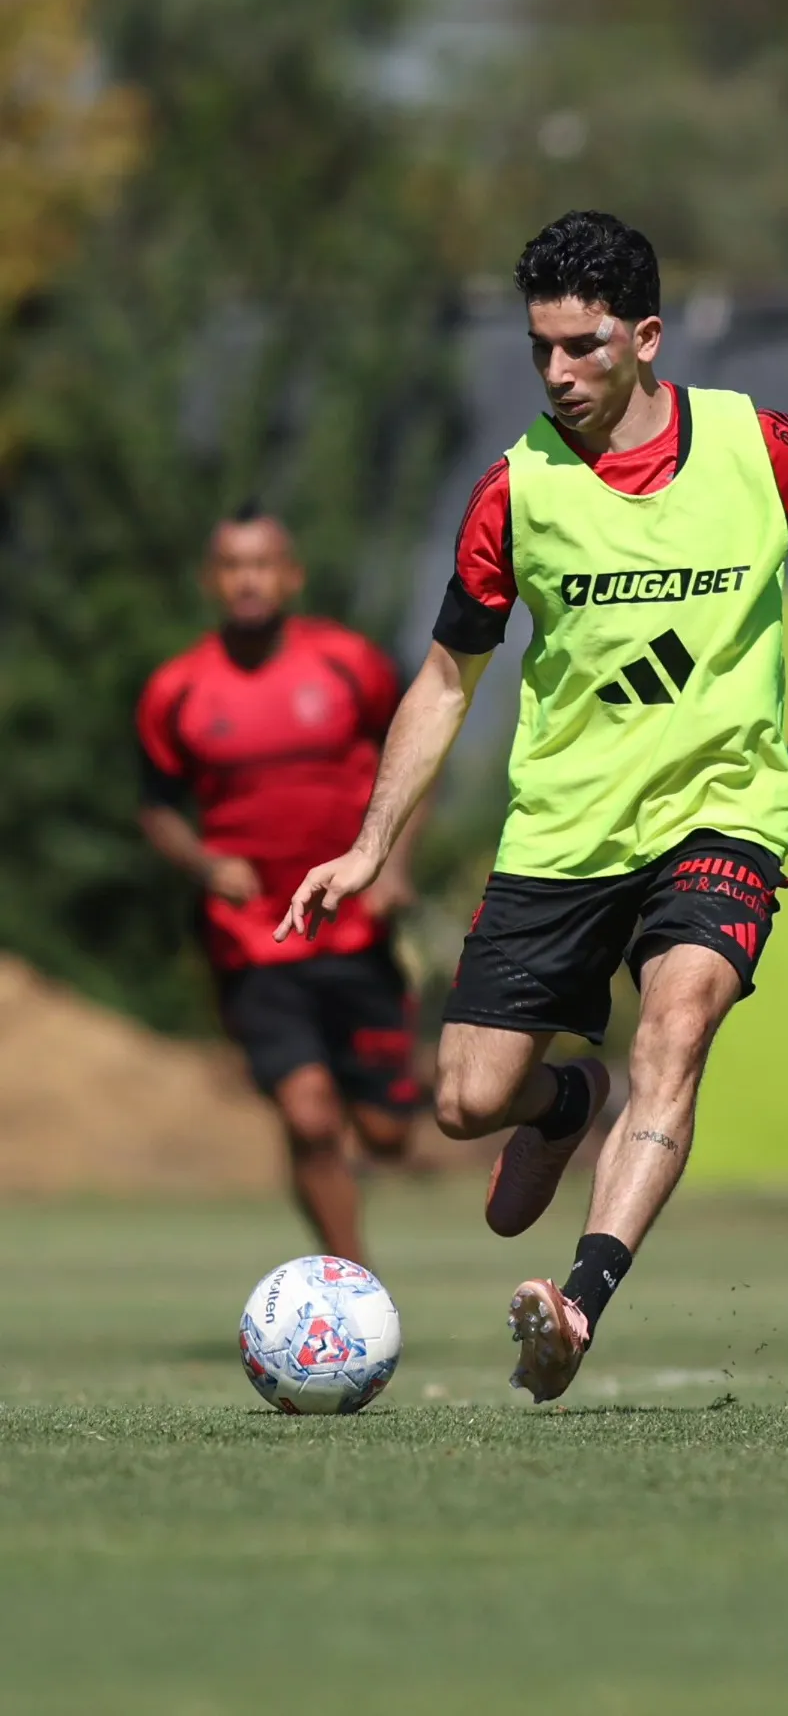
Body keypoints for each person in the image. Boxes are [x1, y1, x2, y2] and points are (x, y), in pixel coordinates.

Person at [276, 211, 788, 1404]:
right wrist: (369, 845)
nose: (558, 373)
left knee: (676, 1027)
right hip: (563, 829)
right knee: (464, 1098)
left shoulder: (750, 442)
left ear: (648, 336)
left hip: (723, 814)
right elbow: (448, 676)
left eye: (584, 346)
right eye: (540, 350)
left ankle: (578, 1301)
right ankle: (571, 1097)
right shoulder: (515, 490)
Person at [137, 505, 423, 1265]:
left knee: (390, 1135)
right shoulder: (177, 690)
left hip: (356, 927)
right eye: (232, 565)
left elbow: (417, 764)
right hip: (252, 939)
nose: (248, 579)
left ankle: (396, 1087)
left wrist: (393, 867)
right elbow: (157, 809)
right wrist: (203, 863)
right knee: (307, 1114)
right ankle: (352, 1285)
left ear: (291, 575)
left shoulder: (349, 665)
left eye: (262, 562)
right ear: (212, 580)